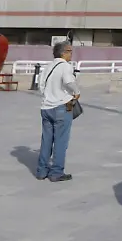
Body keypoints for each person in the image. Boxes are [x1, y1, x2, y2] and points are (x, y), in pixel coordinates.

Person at [37, 40, 79, 182]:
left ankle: (42, 171)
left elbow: (41, 86)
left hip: (46, 107)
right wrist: (76, 92)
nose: (71, 54)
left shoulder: (48, 67)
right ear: (64, 53)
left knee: (46, 140)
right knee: (61, 141)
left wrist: (49, 96)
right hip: (61, 107)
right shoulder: (65, 66)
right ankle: (56, 172)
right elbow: (68, 82)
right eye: (70, 51)